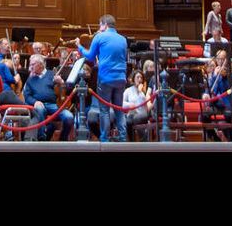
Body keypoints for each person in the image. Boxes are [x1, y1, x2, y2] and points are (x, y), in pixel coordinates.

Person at [75, 14, 128, 142]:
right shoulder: (123, 39)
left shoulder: (100, 36)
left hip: (106, 78)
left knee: (104, 110)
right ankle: (123, 137)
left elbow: (90, 57)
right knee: (118, 109)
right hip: (121, 77)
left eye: (100, 24)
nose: (99, 27)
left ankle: (104, 138)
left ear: (104, 24)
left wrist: (79, 46)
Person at [22, 54, 73, 141]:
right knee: (39, 108)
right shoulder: (30, 78)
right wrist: (35, 102)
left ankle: (63, 139)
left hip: (53, 105)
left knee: (69, 117)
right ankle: (42, 137)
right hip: (39, 105)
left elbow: (67, 91)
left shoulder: (52, 74)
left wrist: (61, 82)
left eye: (33, 64)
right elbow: (27, 96)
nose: (30, 67)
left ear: (40, 64)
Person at [123, 69, 153, 137]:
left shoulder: (143, 93)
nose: (140, 79)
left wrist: (139, 92)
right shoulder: (128, 90)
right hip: (131, 114)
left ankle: (141, 138)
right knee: (128, 120)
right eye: (138, 77)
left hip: (142, 115)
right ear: (133, 79)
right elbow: (122, 103)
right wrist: (129, 105)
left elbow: (145, 108)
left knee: (131, 120)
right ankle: (133, 140)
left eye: (141, 77)